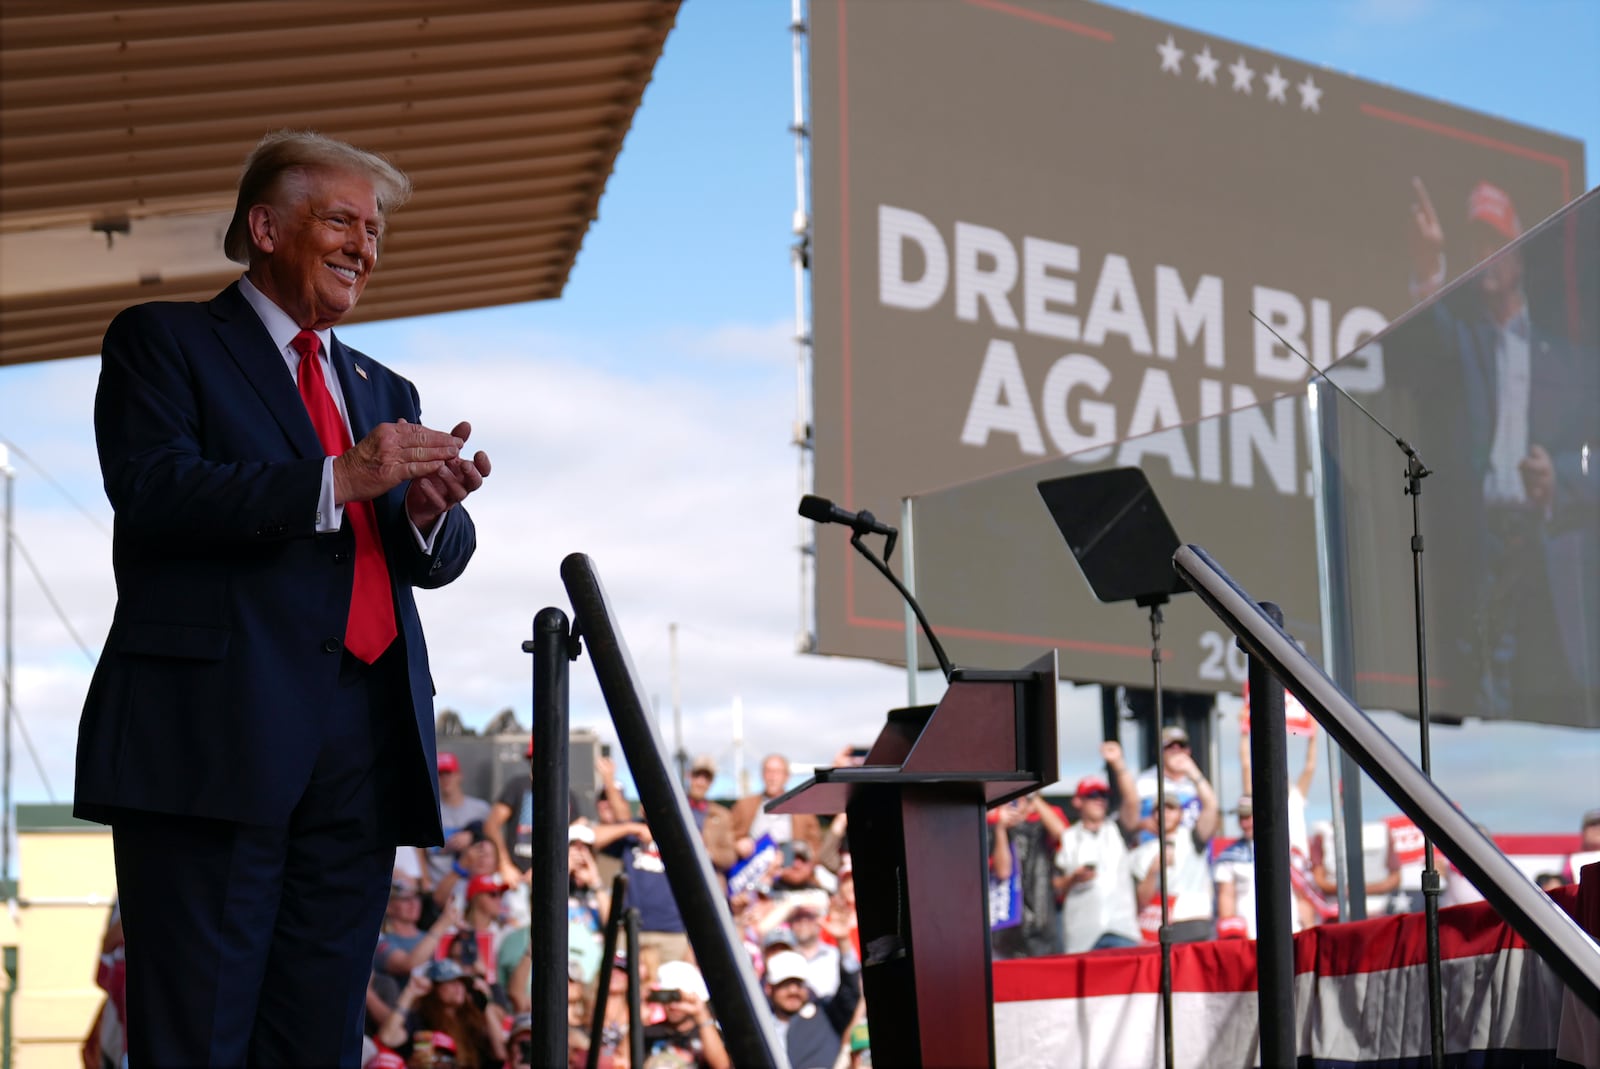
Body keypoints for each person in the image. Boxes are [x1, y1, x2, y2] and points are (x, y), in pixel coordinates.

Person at [72, 129, 491, 1067]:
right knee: (202, 1034)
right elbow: (155, 489)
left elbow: (431, 555)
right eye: (340, 220)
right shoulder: (164, 341)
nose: (364, 247)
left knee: (319, 1035)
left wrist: (425, 510)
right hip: (215, 739)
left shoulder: (385, 386)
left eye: (375, 231)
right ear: (264, 226)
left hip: (364, 745)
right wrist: (339, 476)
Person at [1404, 177, 1600, 721]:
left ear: (1519, 257)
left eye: (1494, 244)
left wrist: (1561, 476)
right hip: (1481, 541)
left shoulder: (1567, 361)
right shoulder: (1465, 341)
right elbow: (1428, 337)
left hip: (1546, 542)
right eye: (1473, 247)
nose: (1483, 259)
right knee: (1485, 678)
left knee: (1547, 681)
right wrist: (1429, 267)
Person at [1054, 742, 1143, 952]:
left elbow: (1132, 802)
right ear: (1078, 801)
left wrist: (1118, 763)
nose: (1099, 801)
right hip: (1082, 936)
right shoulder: (1066, 837)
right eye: (1092, 796)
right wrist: (1073, 878)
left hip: (1122, 930)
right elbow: (1055, 885)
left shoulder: (1117, 828)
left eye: (1103, 796)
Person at [1131, 759, 1220, 944]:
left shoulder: (1193, 837)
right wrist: (1153, 870)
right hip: (1158, 927)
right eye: (1160, 809)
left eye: (1171, 808)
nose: (1165, 813)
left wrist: (1191, 770)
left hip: (1194, 920)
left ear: (1180, 814)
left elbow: (1211, 805)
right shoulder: (1142, 851)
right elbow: (1141, 900)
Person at [379, 959, 507, 1068]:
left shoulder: (473, 1020)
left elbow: (501, 1054)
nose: (458, 987)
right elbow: (388, 1038)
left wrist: (486, 1003)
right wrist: (409, 993)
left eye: (462, 982)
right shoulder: (421, 1019)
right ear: (433, 987)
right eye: (451, 982)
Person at [988, 790, 1070, 959]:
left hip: (1042, 921)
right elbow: (1003, 871)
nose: (1016, 805)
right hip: (1007, 926)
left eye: (1021, 799)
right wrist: (1001, 829)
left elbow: (1062, 833)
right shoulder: (995, 825)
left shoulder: (1041, 821)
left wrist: (1034, 797)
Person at [763, 949, 861, 1069]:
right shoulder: (761, 1025)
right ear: (769, 988)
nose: (793, 991)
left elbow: (849, 993)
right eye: (785, 984)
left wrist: (844, 943)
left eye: (799, 984)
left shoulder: (826, 1012)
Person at [423, 751, 493, 897]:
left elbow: (493, 847)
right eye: (440, 775)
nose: (444, 779)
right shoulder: (427, 811)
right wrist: (425, 879)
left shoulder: (480, 809)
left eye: (448, 773)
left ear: (459, 775)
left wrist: (473, 836)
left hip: (473, 889)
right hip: (438, 887)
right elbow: (419, 851)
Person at [640, 960, 731, 1069]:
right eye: (667, 997)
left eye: (679, 999)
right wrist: (638, 1014)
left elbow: (722, 1066)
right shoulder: (648, 1033)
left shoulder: (709, 1034)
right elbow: (623, 1061)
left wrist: (701, 1014)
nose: (673, 1006)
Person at [732, 753, 823, 862]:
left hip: (790, 871)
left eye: (777, 772)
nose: (772, 777)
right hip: (753, 869)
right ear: (762, 775)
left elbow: (815, 846)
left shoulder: (803, 810)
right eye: (768, 771)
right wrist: (737, 845)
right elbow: (727, 837)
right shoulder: (745, 805)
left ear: (787, 776)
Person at [1135, 725, 1205, 838]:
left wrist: (1193, 771)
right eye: (1170, 747)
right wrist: (1141, 825)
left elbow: (1213, 815)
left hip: (1190, 851)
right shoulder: (1143, 782)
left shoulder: (1197, 782)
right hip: (1153, 848)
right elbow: (1126, 822)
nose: (1176, 751)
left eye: (1181, 746)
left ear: (1188, 751)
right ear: (1159, 751)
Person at [686, 754, 738, 881]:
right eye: (697, 775)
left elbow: (730, 856)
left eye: (707, 778)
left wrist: (707, 852)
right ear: (688, 776)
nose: (701, 782)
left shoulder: (722, 815)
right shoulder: (673, 808)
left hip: (709, 881)